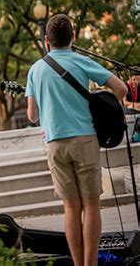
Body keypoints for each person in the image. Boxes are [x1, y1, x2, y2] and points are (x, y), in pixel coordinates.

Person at [25, 14, 127, 266]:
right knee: (91, 205)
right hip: (84, 139)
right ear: (73, 36)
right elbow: (122, 89)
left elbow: (31, 115)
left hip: (55, 144)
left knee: (70, 207)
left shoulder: (35, 70)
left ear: (47, 40)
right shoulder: (82, 61)